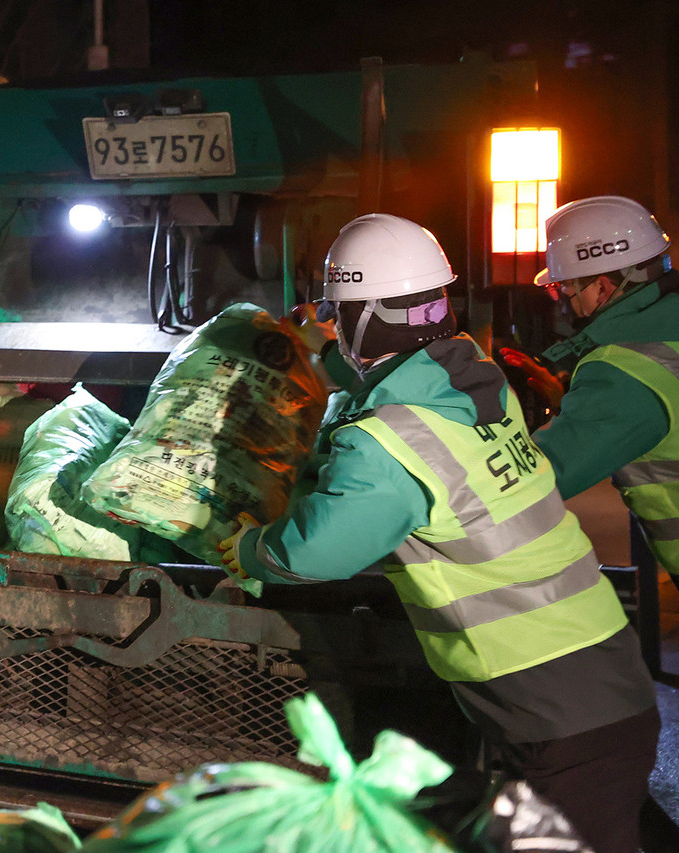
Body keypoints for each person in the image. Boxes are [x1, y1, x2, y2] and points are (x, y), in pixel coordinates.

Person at [216, 213, 659, 853]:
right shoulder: (471, 377)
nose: (333, 325)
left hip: (559, 712)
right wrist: (320, 355)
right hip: (590, 679)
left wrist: (252, 549)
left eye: (340, 313)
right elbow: (387, 388)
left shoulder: (389, 443)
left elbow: (317, 550)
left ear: (365, 317)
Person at [518, 195, 679, 594]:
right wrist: (568, 402)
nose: (564, 302)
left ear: (603, 286)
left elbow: (537, 479)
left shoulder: (622, 368)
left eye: (565, 289)